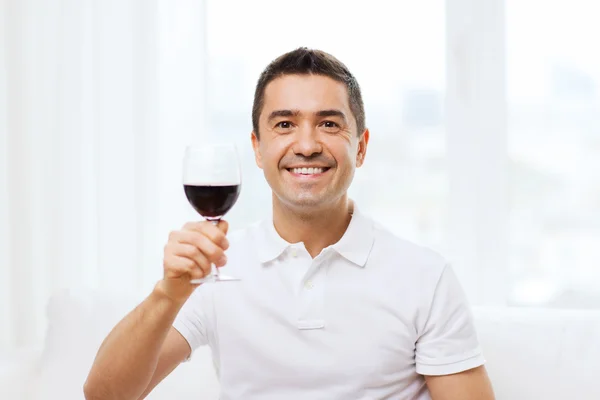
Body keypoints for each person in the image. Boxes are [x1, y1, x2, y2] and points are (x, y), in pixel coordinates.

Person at [84, 47, 495, 400]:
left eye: (329, 124)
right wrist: (167, 295)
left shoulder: (425, 277)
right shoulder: (216, 270)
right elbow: (105, 395)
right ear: (257, 149)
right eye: (284, 124)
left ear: (362, 147)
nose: (306, 145)